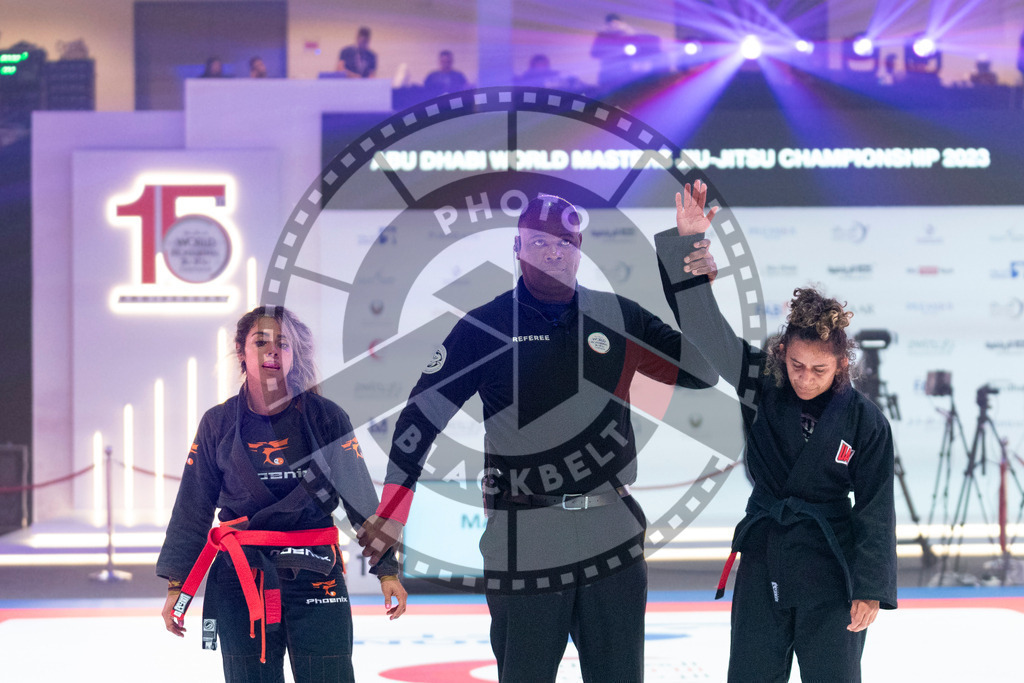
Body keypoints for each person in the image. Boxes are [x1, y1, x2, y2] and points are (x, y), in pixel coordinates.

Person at [357, 194, 719, 681]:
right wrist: (393, 514)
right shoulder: (483, 328)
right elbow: (419, 420)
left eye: (565, 242)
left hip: (611, 529)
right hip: (524, 537)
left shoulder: (618, 317)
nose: (554, 252)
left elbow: (703, 370)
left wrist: (690, 280)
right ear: (517, 247)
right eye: (540, 242)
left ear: (580, 247)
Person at [656, 182, 898, 682]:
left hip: (831, 563)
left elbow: (876, 508)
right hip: (766, 553)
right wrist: (686, 246)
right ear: (781, 353)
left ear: (841, 364)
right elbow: (706, 331)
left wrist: (871, 588)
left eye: (819, 370)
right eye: (796, 365)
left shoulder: (865, 421)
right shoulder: (760, 382)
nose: (805, 378)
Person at [158, 305, 407, 682]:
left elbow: (360, 498)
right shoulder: (218, 423)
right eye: (261, 341)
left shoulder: (326, 418)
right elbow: (193, 507)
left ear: (293, 356)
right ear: (241, 352)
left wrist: (387, 570)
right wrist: (178, 584)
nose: (272, 350)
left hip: (317, 572)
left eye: (283, 343)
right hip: (242, 576)